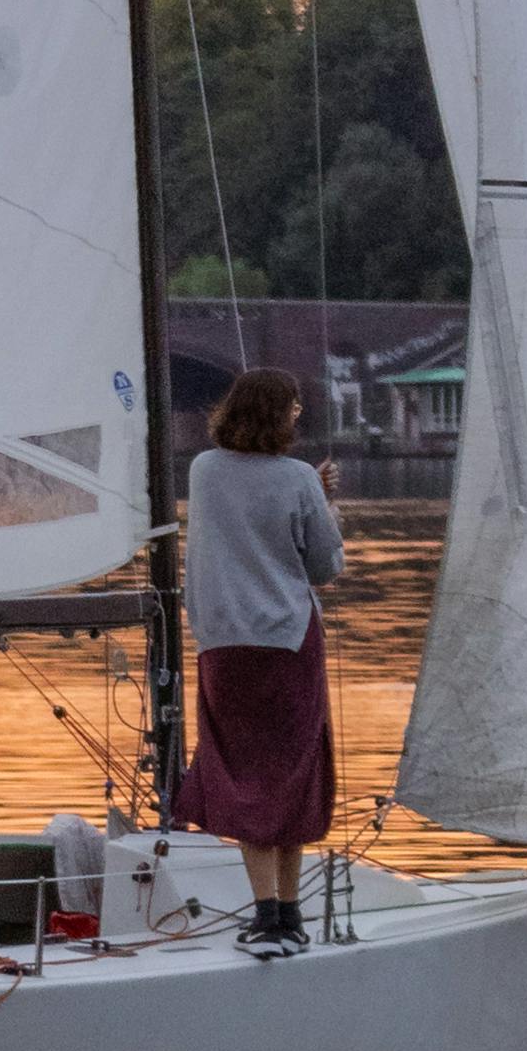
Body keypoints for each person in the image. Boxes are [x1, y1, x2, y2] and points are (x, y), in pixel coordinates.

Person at [176, 365, 344, 954]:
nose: (299, 418)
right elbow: (323, 568)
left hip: (223, 645)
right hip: (287, 640)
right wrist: (321, 503)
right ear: (281, 415)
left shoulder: (202, 470)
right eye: (295, 410)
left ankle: (267, 911)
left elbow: (240, 519)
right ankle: (290, 914)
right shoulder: (299, 478)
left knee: (244, 770)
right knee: (292, 767)